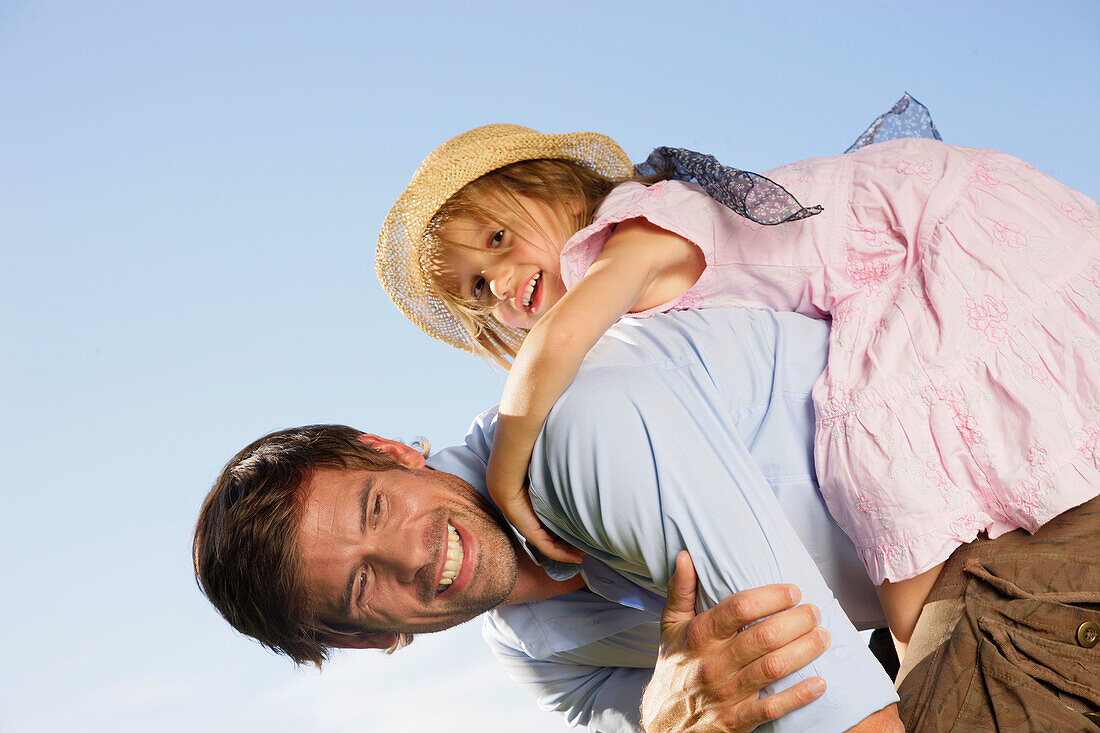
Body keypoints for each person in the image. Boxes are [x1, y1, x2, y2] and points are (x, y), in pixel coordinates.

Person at [375, 111, 1100, 650]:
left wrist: (506, 472)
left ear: (557, 188)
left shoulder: (634, 234)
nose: (501, 283)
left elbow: (557, 342)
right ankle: (932, 657)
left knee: (874, 454)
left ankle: (933, 662)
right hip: (914, 246)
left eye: (498, 241)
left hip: (932, 240)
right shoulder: (639, 274)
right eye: (477, 289)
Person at [194, 307, 904, 732]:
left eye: (374, 508)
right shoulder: (539, 658)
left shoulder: (571, 432)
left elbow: (837, 708)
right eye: (360, 585)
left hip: (996, 516)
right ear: (372, 638)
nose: (410, 555)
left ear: (388, 451)